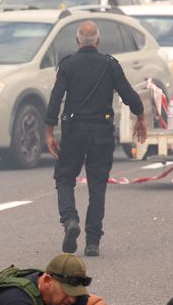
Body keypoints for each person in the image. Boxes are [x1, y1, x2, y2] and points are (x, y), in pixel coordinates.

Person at [44, 21, 148, 257]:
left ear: (78, 41)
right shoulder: (110, 65)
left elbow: (55, 98)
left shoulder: (67, 65)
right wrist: (140, 117)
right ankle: (93, 241)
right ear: (98, 41)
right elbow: (129, 95)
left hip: (74, 131)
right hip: (101, 132)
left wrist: (49, 132)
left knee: (64, 178)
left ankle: (70, 220)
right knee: (97, 186)